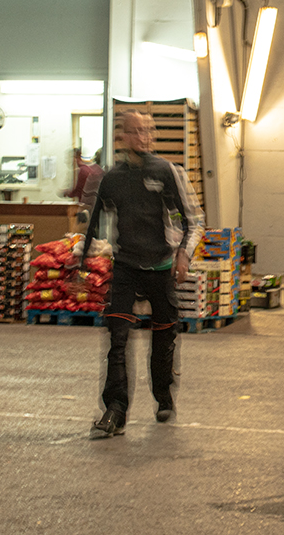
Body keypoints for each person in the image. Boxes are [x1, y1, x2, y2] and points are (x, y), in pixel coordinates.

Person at [78, 111, 204, 440]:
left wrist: (183, 256)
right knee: (116, 340)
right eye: (136, 131)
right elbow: (92, 222)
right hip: (126, 267)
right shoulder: (112, 177)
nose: (143, 136)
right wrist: (80, 263)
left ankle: (163, 395)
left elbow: (195, 220)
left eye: (149, 130)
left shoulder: (168, 172)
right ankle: (115, 411)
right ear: (122, 136)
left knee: (164, 338)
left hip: (161, 267)